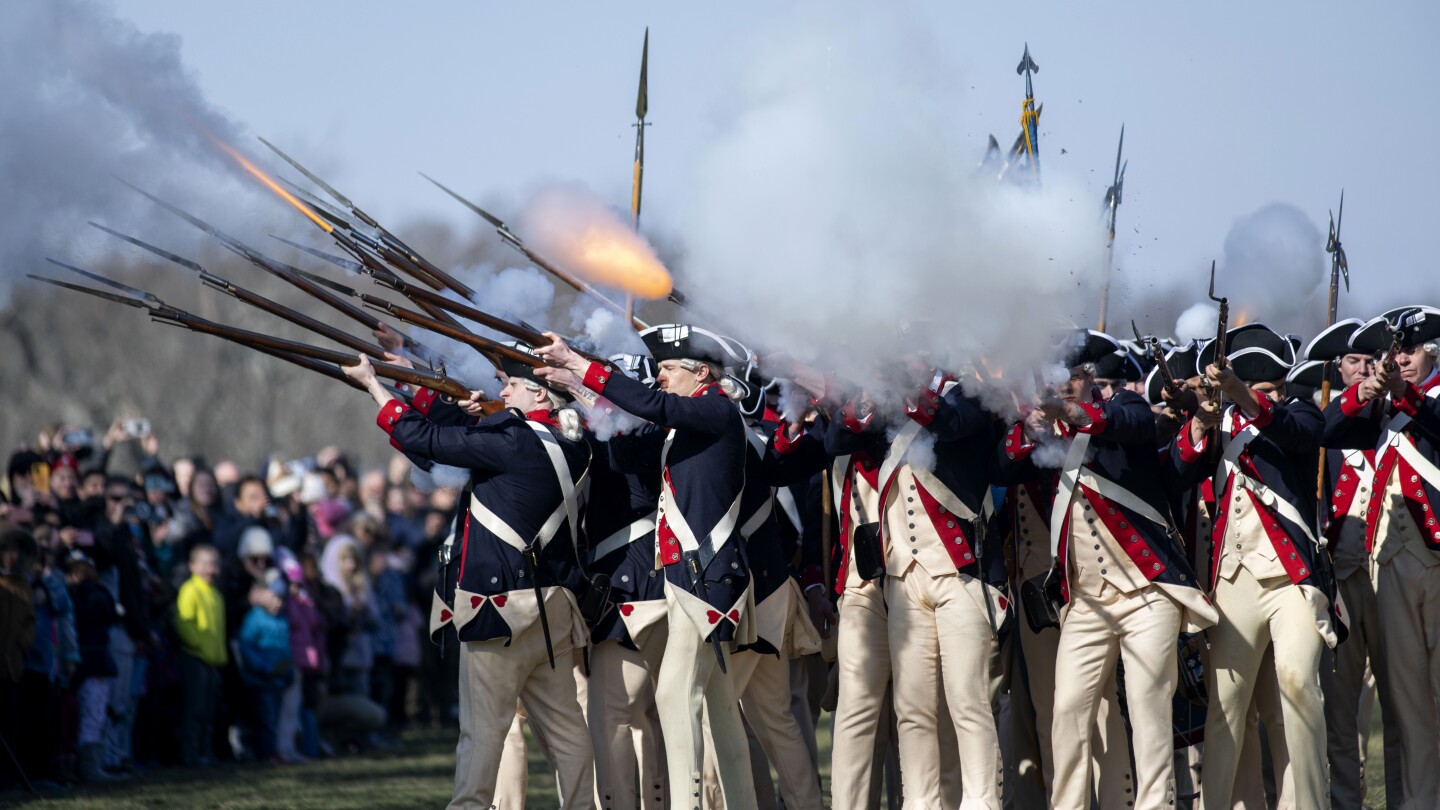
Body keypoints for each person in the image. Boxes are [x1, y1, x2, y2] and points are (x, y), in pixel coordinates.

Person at [347, 346, 595, 810]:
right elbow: (458, 446)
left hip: (500, 611)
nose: (503, 391)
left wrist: (374, 386)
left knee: (480, 732)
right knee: (567, 733)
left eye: (513, 385)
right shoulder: (573, 444)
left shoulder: (512, 438)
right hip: (554, 610)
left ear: (539, 391)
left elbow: (428, 443)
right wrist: (423, 387)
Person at [536, 324, 758, 809]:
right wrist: (580, 389)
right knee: (719, 712)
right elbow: (626, 451)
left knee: (675, 699)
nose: (660, 379)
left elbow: (655, 406)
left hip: (707, 581)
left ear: (701, 372)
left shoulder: (715, 408)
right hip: (689, 581)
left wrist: (580, 364)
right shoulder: (687, 423)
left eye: (667, 370)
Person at [997, 330, 1216, 810]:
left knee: (1148, 708)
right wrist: (1031, 423)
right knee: (1068, 713)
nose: (1065, 386)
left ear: (1090, 379)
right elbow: (1004, 465)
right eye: (1057, 379)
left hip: (1146, 593)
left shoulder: (1127, 409)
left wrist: (1062, 414)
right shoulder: (1047, 434)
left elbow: (1115, 423)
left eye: (1072, 377)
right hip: (1088, 601)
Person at [1171, 324, 1333, 808]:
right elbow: (1179, 470)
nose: (1266, 396)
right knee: (1224, 708)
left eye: (1268, 389)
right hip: (1233, 578)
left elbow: (1299, 433)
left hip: (1292, 579)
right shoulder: (1219, 424)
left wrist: (1243, 395)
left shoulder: (1298, 412)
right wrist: (1199, 423)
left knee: (1298, 683)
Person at [1323, 306, 1440, 808]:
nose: (1403, 360)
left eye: (1410, 350)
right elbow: (1325, 429)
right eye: (1397, 352)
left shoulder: (1424, 400)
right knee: (1409, 705)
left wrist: (1400, 393)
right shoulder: (1386, 411)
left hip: (1435, 562)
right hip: (1390, 565)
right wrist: (1367, 392)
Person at [1296, 318, 1402, 808]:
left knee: (1402, 707)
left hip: (1391, 577)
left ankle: (1407, 797)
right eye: (1353, 361)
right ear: (1336, 369)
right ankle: (1345, 801)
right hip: (1340, 581)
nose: (1363, 368)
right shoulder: (1324, 422)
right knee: (1340, 714)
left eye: (1370, 360)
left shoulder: (1395, 418)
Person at [175, 543, 226, 766]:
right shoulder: (190, 590)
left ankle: (206, 753)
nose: (210, 569)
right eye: (205, 564)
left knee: (208, 711)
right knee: (194, 711)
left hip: (212, 661)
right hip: (195, 658)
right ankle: (191, 755)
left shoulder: (215, 594)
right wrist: (198, 645)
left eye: (214, 564)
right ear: (192, 565)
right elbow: (183, 623)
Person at [237, 568, 293, 763]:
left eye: (281, 598)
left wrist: (288, 670)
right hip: (261, 679)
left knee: (275, 718)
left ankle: (272, 752)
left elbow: (285, 649)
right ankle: (264, 754)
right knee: (264, 719)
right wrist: (264, 668)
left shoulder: (283, 620)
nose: (278, 603)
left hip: (278, 680)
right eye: (274, 597)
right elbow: (247, 647)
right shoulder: (255, 619)